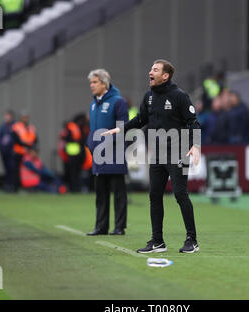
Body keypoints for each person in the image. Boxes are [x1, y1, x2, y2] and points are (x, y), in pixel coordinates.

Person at [102, 59, 201, 253]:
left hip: (178, 150)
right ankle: (157, 241)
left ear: (165, 76)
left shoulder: (180, 96)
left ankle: (192, 240)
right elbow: (140, 120)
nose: (150, 72)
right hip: (157, 153)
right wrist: (119, 129)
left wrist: (195, 145)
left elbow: (193, 122)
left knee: (180, 194)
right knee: (154, 195)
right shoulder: (148, 97)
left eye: (155, 70)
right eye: (150, 69)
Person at [86, 68, 129, 236]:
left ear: (104, 84)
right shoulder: (92, 104)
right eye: (91, 82)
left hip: (114, 154)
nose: (92, 85)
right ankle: (100, 227)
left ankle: (119, 227)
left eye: (95, 82)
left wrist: (108, 145)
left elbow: (123, 128)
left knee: (119, 194)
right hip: (98, 156)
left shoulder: (118, 102)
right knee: (100, 194)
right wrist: (91, 143)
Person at [11, 111, 38, 192]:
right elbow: (16, 140)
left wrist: (33, 149)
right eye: (23, 117)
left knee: (29, 171)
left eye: (26, 117)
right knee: (16, 171)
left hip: (29, 153)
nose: (25, 119)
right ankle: (16, 187)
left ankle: (29, 186)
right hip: (19, 152)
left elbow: (36, 139)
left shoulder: (31, 127)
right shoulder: (16, 127)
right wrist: (28, 146)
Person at [0, 110, 15, 191]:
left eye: (8, 116)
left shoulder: (14, 126)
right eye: (6, 115)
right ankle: (7, 185)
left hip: (11, 151)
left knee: (11, 168)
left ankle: (12, 185)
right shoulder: (2, 126)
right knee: (6, 168)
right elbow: (0, 138)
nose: (7, 117)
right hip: (4, 151)